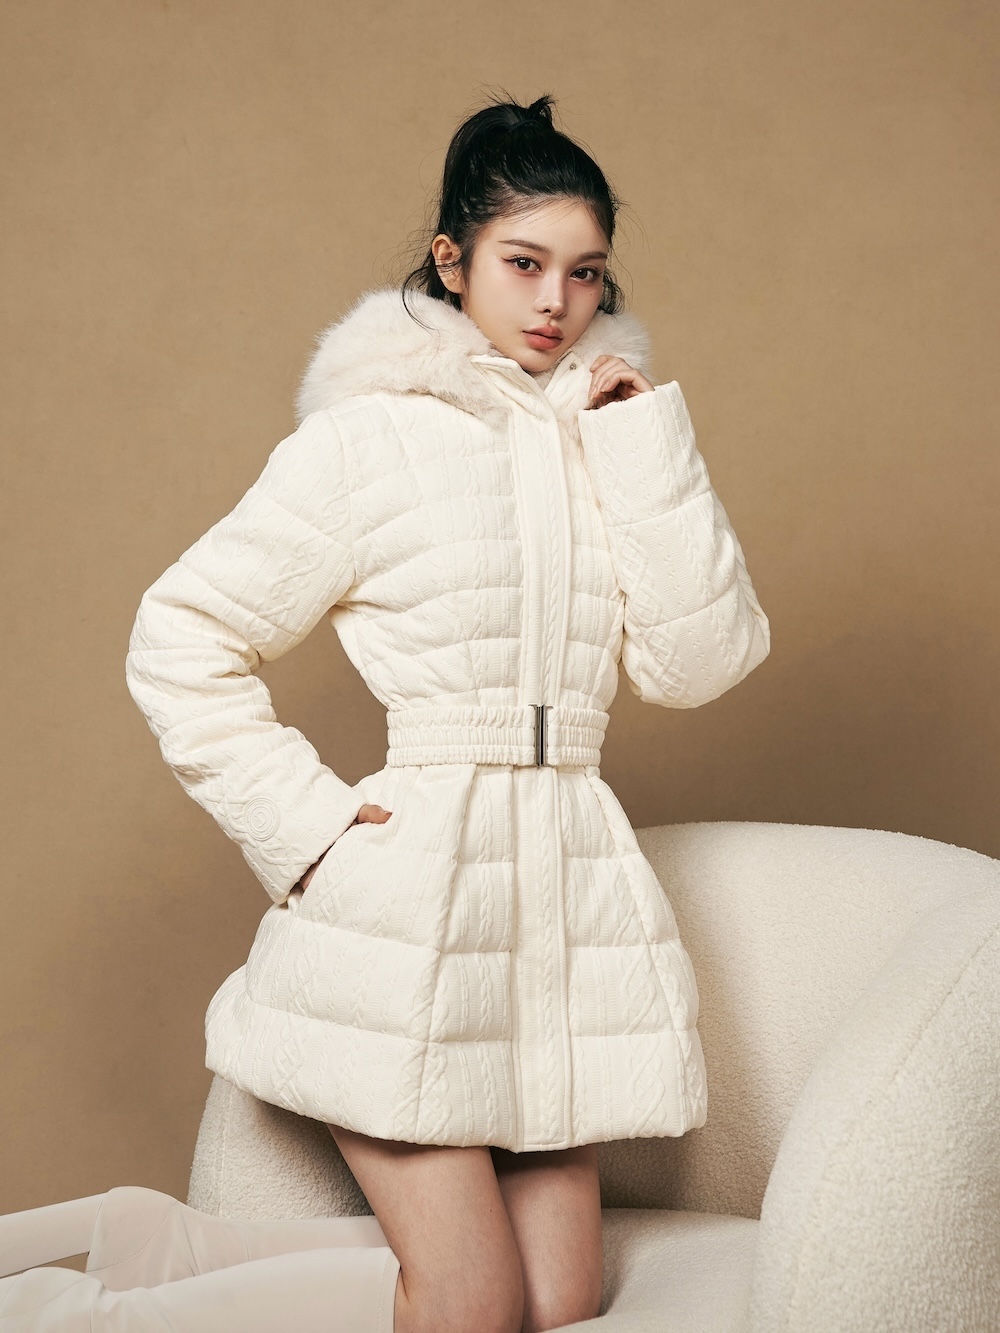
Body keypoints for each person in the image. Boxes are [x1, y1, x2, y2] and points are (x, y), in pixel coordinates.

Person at [1, 92, 770, 1331]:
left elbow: (700, 664)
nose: (555, 302)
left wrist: (645, 448)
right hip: (410, 902)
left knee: (562, 1301)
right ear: (452, 261)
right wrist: (310, 832)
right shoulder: (367, 443)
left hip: (558, 910)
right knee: (470, 1304)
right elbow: (182, 634)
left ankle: (167, 1246)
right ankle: (68, 1315)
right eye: (523, 263)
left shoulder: (606, 439)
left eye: (584, 273)